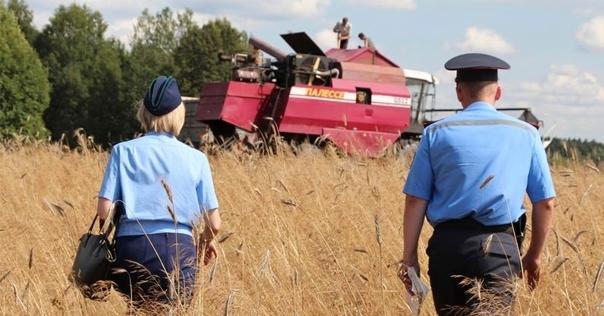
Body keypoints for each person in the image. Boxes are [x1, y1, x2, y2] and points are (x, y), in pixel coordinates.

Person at [397, 53, 556, 315]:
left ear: (459, 92)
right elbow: (546, 203)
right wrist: (533, 255)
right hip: (499, 249)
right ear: (499, 92)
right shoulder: (527, 134)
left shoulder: (434, 133)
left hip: (447, 249)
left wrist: (410, 256)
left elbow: (415, 199)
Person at [96, 75, 222, 312]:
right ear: (179, 115)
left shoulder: (122, 151)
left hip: (131, 247)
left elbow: (103, 209)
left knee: (139, 309)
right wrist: (206, 240)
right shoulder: (197, 159)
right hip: (180, 249)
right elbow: (214, 223)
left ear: (143, 113)